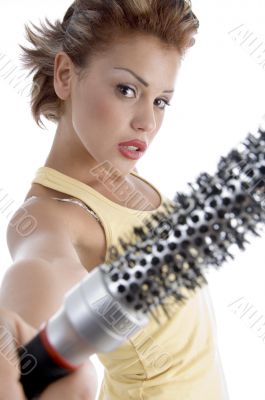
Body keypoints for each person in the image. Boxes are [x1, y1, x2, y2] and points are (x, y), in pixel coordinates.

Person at [0, 0, 230, 398]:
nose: (148, 122)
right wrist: (16, 337)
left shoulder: (121, 173)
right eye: (127, 90)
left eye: (161, 101)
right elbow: (42, 267)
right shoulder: (52, 216)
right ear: (66, 75)